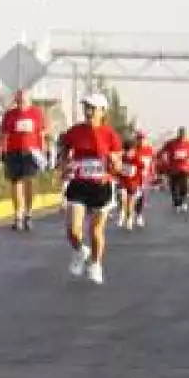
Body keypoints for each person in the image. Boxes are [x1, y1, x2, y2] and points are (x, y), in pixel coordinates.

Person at [55, 93, 123, 285]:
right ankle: (79, 251)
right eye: (86, 107)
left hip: (101, 187)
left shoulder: (111, 135)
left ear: (102, 112)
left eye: (92, 108)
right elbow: (62, 155)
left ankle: (95, 263)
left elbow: (117, 166)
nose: (88, 111)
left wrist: (112, 166)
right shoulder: (74, 132)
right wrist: (64, 164)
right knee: (73, 231)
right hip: (79, 185)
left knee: (95, 232)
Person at [0, 89, 49, 232]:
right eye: (17, 101)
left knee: (30, 181)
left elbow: (42, 134)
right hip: (13, 152)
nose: (20, 104)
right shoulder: (9, 115)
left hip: (32, 152)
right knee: (16, 182)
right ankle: (18, 215)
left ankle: (29, 213)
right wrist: (0, 149)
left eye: (23, 101)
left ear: (29, 101)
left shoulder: (37, 113)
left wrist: (44, 152)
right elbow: (3, 134)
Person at [117, 128, 155, 230]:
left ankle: (137, 215)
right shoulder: (132, 150)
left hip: (140, 179)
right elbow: (117, 166)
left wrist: (152, 174)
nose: (141, 140)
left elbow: (151, 163)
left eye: (143, 138)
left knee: (141, 198)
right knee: (122, 197)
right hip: (125, 181)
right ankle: (123, 213)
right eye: (139, 138)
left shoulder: (149, 150)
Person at [156, 127, 189, 214]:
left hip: (184, 169)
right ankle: (176, 203)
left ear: (185, 135)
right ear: (178, 134)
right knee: (173, 187)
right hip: (173, 169)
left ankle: (183, 201)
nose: (182, 136)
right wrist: (161, 159)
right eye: (180, 134)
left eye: (183, 135)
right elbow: (161, 152)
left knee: (184, 186)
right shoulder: (171, 143)